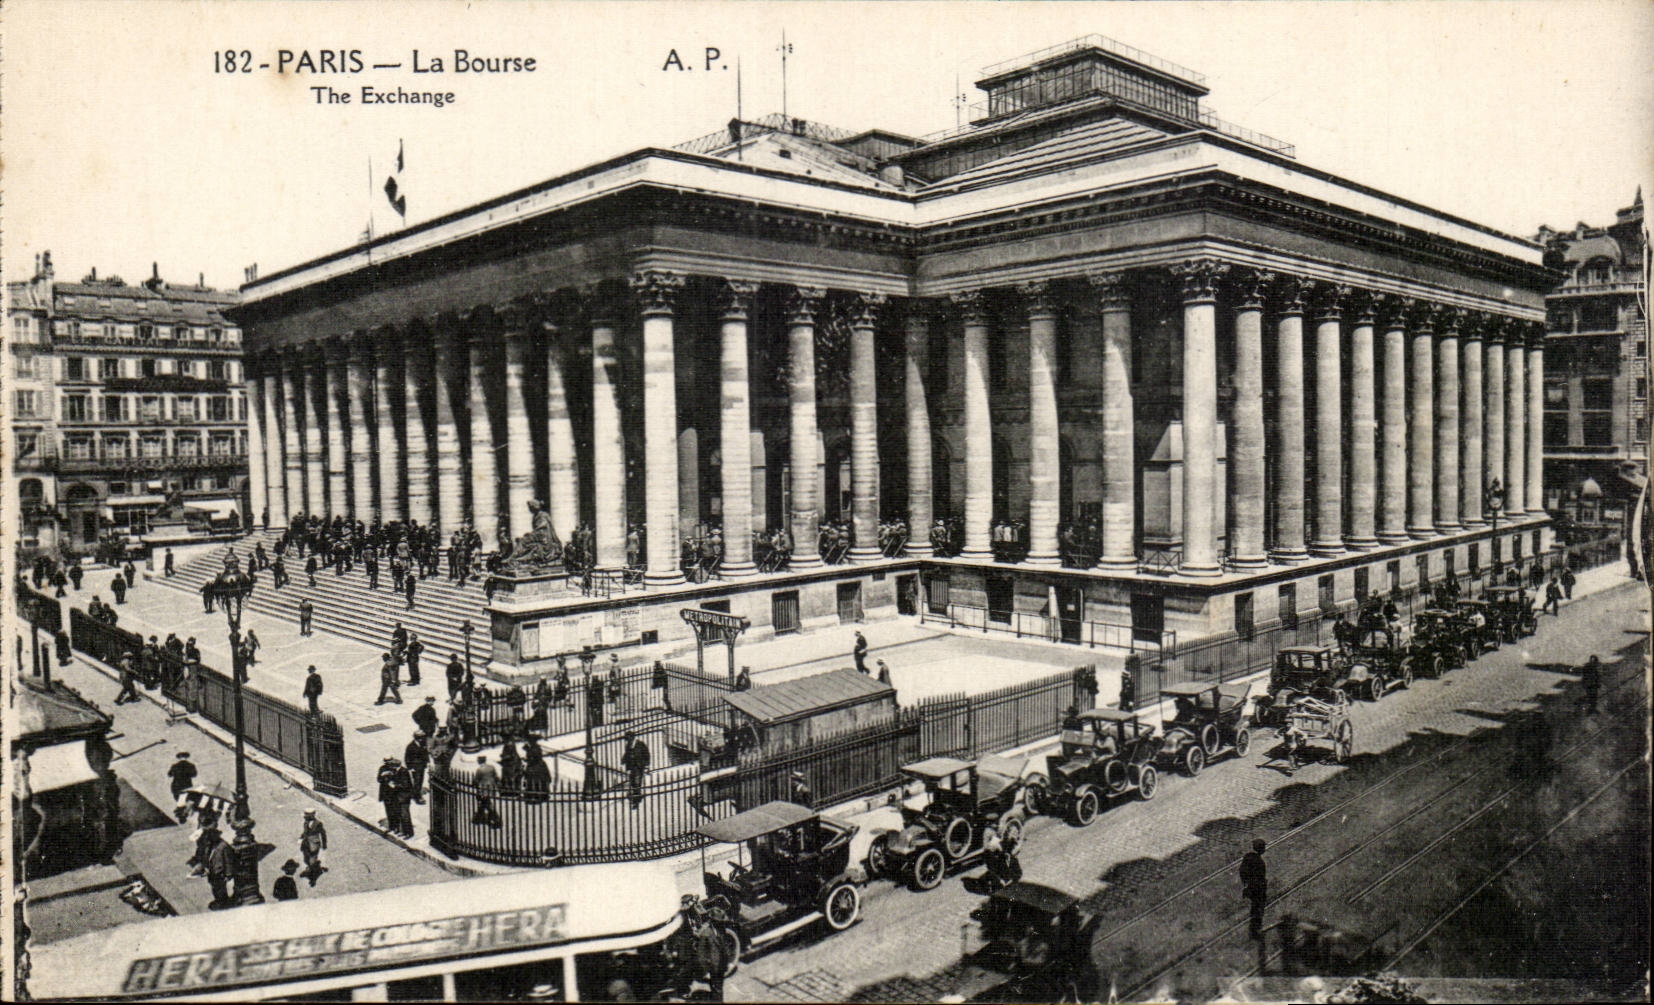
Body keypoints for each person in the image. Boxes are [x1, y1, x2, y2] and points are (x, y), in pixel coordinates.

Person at [1240, 838, 1268, 940]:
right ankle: (1256, 931)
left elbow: (1242, 872)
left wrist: (1246, 884)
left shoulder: (1247, 857)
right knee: (1258, 910)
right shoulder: (1260, 862)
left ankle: (1254, 930)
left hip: (1250, 889)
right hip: (1258, 890)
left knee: (1254, 909)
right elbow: (1260, 877)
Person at [205, 828, 234, 909]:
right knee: (215, 888)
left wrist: (228, 874)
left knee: (220, 889)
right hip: (213, 871)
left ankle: (223, 903)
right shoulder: (211, 846)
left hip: (220, 872)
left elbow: (228, 861)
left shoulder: (223, 846)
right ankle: (219, 901)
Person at [622, 731, 651, 809]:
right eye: (626, 739)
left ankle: (636, 802)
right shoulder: (628, 746)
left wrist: (646, 765)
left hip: (639, 767)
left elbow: (646, 754)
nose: (627, 741)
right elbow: (627, 754)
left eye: (628, 739)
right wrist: (623, 760)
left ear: (632, 738)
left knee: (637, 783)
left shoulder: (640, 744)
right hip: (631, 767)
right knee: (633, 783)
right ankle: (637, 796)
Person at [472, 755, 502, 829]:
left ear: (480, 761)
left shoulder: (480, 769)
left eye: (478, 760)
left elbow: (476, 780)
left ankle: (496, 819)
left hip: (483, 789)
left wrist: (474, 784)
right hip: (491, 788)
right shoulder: (491, 767)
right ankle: (478, 817)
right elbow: (496, 777)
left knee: (487, 804)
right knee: (484, 803)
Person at [405, 732, 431, 804]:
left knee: (420, 780)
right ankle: (417, 797)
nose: (421, 739)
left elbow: (425, 753)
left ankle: (417, 792)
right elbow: (407, 758)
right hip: (415, 767)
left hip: (421, 766)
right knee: (417, 781)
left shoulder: (422, 744)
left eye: (422, 737)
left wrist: (427, 762)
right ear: (416, 737)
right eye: (419, 737)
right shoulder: (410, 746)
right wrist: (410, 767)